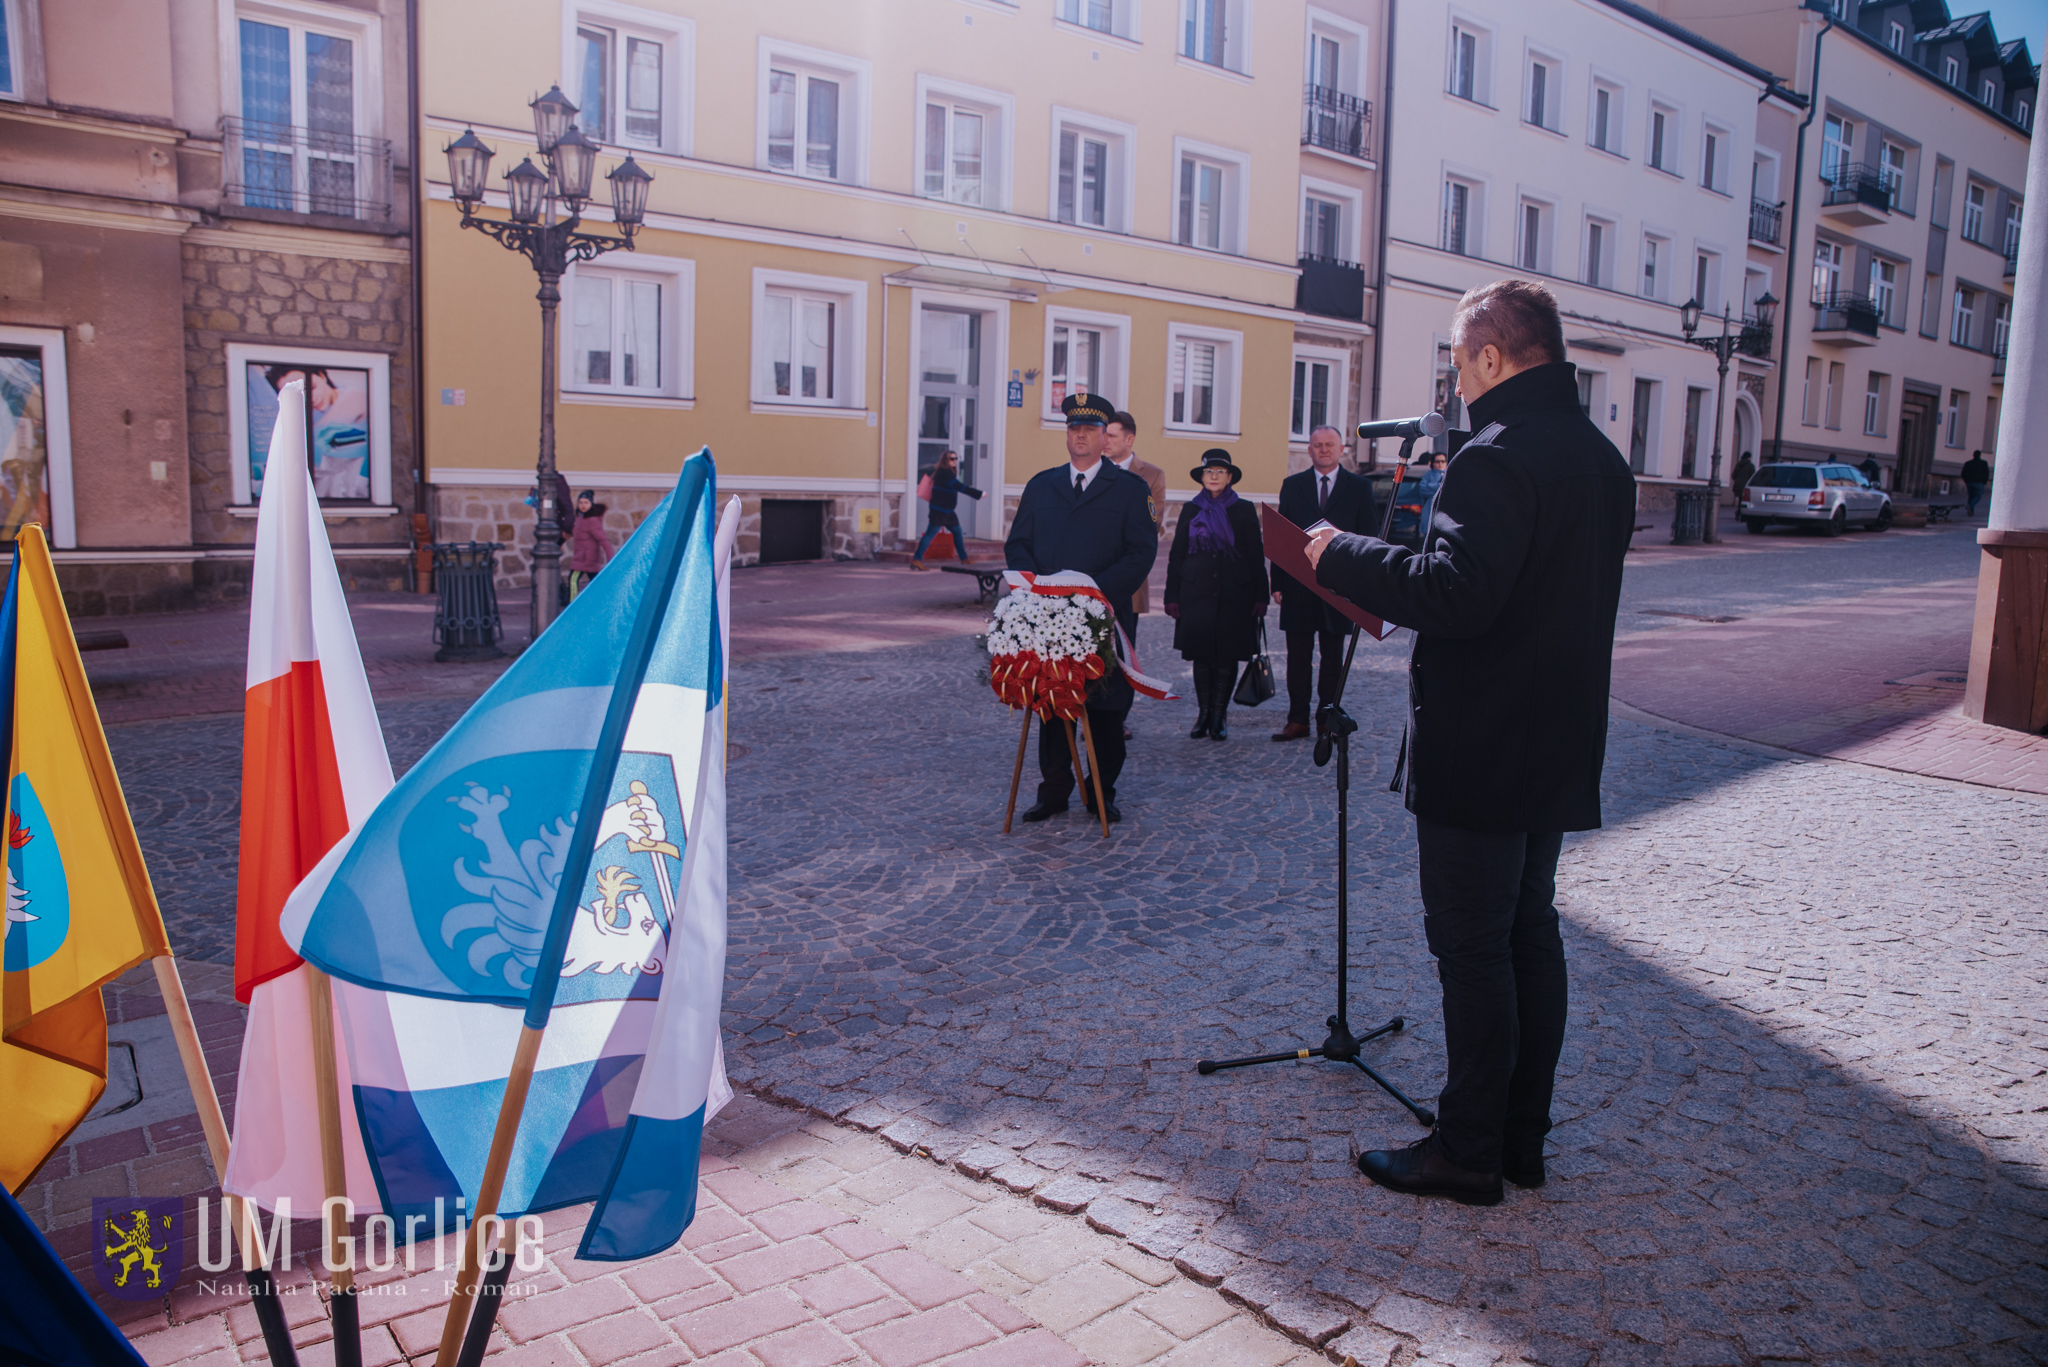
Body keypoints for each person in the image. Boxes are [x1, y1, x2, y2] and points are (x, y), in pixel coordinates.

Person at [1305, 278, 1635, 1207]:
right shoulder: (1600, 458)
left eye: (1458, 363)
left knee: (1474, 947)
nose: (1456, 383)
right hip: (1558, 738)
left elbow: (1458, 594)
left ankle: (1467, 1148)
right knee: (1529, 932)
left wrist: (1340, 553)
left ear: (1491, 357)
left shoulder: (1497, 457)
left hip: (1485, 745)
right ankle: (1519, 1138)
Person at [1006, 392, 1159, 824]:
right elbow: (1018, 544)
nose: (1081, 436)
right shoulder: (1042, 485)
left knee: (1105, 710)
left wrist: (1091, 594)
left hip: (1102, 617)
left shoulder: (1130, 490)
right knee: (1054, 707)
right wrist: (1036, 591)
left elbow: (1140, 553)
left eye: (1090, 430)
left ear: (1104, 438)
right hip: (1049, 619)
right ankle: (1053, 791)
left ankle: (1100, 791)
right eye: (1074, 428)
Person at [1270, 425, 1376, 742]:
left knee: (1333, 659)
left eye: (1330, 444)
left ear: (1341, 448)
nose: (1324, 450)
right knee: (1297, 659)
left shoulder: (1359, 488)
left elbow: (1369, 538)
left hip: (1339, 587)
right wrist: (1277, 583)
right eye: (1317, 445)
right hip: (1298, 587)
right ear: (1309, 450)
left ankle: (1326, 720)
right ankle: (1297, 720)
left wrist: (1364, 586)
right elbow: (1281, 538)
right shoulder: (1293, 486)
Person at [1165, 450, 1268, 741]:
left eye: (1220, 472)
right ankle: (1203, 714)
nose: (1214, 476)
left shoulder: (1243, 509)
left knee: (1226, 656)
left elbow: (1255, 554)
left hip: (1235, 593)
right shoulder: (1190, 509)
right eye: (1209, 471)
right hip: (1195, 592)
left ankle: (1220, 716)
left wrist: (1261, 595)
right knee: (1201, 656)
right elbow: (1177, 555)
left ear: (1230, 477)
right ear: (1202, 477)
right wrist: (1172, 595)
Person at [911, 450, 982, 569]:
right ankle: (916, 560)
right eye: (951, 459)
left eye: (955, 459)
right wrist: (978, 494)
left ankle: (964, 558)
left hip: (947, 512)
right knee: (930, 534)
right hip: (940, 511)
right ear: (946, 460)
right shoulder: (945, 473)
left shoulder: (945, 472)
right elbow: (959, 487)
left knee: (957, 531)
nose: (954, 461)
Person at [566, 490, 611, 599]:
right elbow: (576, 533)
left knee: (573, 579)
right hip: (582, 556)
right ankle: (600, 603)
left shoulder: (592, 520)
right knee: (595, 583)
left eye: (586, 503)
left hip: (586, 558)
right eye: (581, 503)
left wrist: (611, 557)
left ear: (591, 504)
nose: (583, 505)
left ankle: (572, 606)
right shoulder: (580, 518)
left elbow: (604, 540)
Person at [1961, 450, 1991, 516]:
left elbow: (1963, 473)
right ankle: (1970, 506)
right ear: (1979, 455)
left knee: (1971, 497)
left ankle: (1970, 512)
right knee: (1978, 496)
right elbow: (1986, 473)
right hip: (1979, 482)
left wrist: (1966, 481)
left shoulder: (1968, 463)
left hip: (1970, 482)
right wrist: (1984, 481)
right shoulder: (1983, 463)